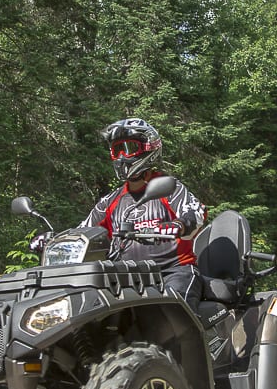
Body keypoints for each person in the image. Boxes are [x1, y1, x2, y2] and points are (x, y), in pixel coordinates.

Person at [80, 118, 205, 311]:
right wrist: (55, 241)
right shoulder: (111, 200)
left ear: (149, 148)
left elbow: (196, 214)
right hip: (126, 278)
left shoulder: (168, 187)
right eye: (117, 150)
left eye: (129, 148)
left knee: (173, 315)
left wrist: (180, 224)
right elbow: (84, 230)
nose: (122, 156)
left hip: (172, 272)